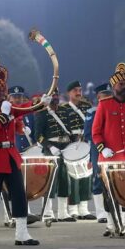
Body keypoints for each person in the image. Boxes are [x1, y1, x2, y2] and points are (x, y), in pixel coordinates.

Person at [0, 69, 46, 246]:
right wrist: (4, 116)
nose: (2, 97)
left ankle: (22, 233)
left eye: (3, 93)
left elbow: (24, 108)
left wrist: (40, 103)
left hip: (10, 156)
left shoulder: (8, 107)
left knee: (19, 194)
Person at [91, 63, 125, 236]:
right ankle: (111, 223)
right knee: (109, 193)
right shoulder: (104, 104)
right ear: (114, 86)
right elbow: (96, 132)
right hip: (108, 158)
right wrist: (103, 148)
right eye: (121, 84)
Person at [34, 89, 78, 222]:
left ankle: (63, 212)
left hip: (65, 147)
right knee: (50, 181)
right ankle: (47, 212)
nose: (55, 98)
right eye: (53, 95)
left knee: (65, 180)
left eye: (57, 95)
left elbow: (70, 130)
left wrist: (75, 142)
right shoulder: (41, 113)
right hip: (51, 149)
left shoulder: (64, 111)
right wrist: (50, 146)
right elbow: (38, 135)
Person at [62, 80, 95, 220]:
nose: (78, 92)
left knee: (87, 175)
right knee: (73, 176)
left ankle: (84, 208)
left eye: (80, 90)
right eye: (75, 90)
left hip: (86, 143)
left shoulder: (87, 107)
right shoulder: (64, 109)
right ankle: (73, 208)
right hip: (71, 144)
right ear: (69, 93)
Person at [83, 83, 111, 224]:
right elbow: (88, 133)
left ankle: (111, 210)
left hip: (113, 147)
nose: (107, 97)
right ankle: (101, 212)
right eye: (104, 95)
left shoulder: (113, 109)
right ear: (98, 96)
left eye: (108, 94)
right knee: (98, 178)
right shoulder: (92, 112)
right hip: (97, 148)